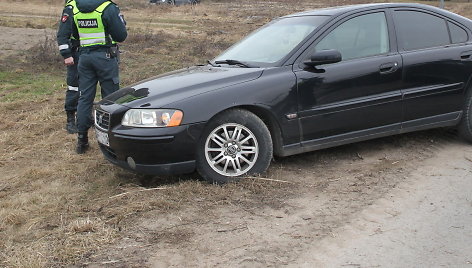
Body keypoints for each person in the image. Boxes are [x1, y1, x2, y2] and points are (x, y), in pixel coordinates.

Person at [72, 0, 127, 154]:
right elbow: (121, 35)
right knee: (111, 98)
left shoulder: (76, 7)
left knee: (85, 98)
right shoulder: (107, 7)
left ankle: (81, 141)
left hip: (84, 58)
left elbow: (75, 35)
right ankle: (111, 139)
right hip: (105, 57)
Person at [57, 0, 80, 134]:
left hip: (89, 54)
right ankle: (70, 119)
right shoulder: (71, 8)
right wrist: (66, 54)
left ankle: (85, 117)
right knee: (74, 86)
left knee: (88, 87)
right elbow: (62, 34)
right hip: (75, 53)